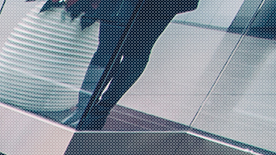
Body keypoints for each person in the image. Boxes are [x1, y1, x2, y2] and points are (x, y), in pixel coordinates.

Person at [67, 0, 199, 130]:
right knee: (109, 50)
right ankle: (86, 110)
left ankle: (96, 113)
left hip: (157, 8)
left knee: (130, 53)